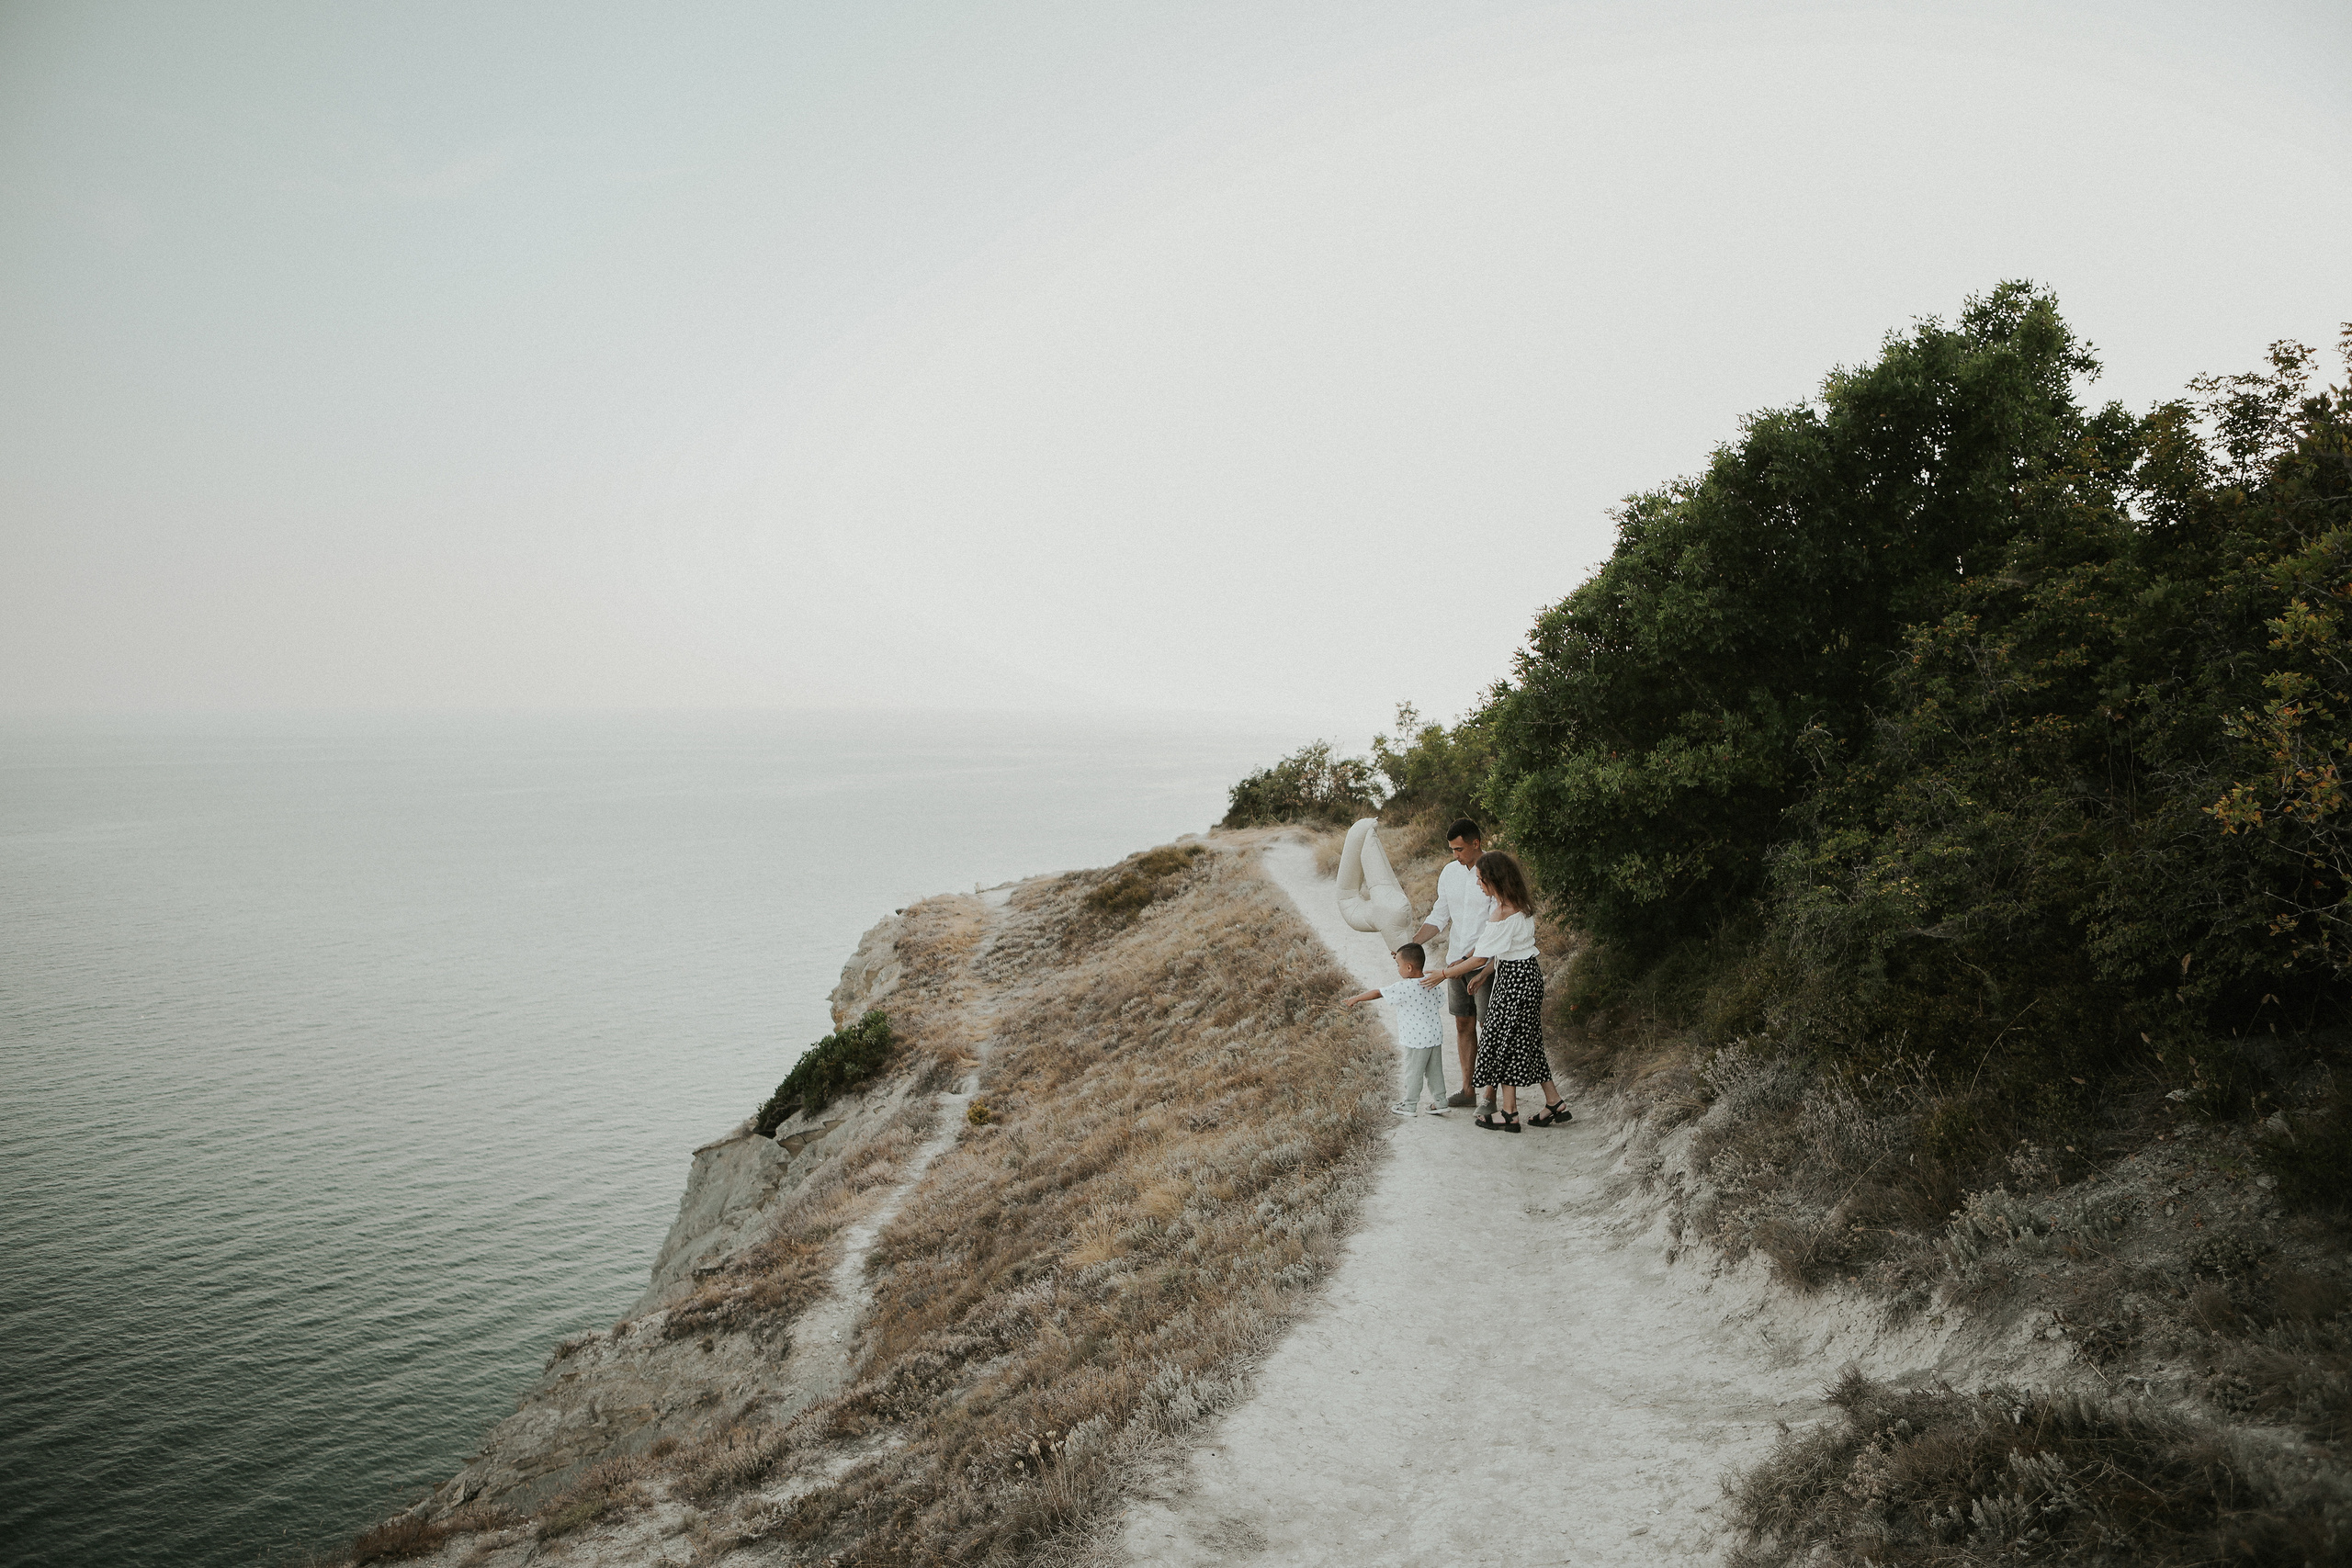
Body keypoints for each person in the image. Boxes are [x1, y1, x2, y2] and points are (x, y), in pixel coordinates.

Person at [1422, 851, 1570, 1133]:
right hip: (1526, 974)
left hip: (1515, 982)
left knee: (1500, 1039)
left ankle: (1509, 1112)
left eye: (1480, 880)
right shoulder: (1521, 904)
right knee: (1527, 1040)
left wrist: (1442, 973)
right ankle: (1554, 1102)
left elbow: (1479, 957)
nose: (1478, 885)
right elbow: (1511, 950)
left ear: (1493, 879)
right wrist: (1486, 974)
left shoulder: (1501, 912)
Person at [1408, 818, 1493, 1110]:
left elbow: (1497, 924)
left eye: (1459, 849)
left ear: (1475, 843)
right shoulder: (1449, 873)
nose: (1455, 856)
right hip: (1455, 959)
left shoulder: (1493, 871)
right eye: (1452, 850)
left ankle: (1490, 1097)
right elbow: (1438, 917)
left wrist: (1470, 958)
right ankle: (1468, 1091)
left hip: (1485, 963)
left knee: (1488, 1026)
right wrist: (1412, 944)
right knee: (1462, 1024)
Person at [1340, 942, 1450, 1117]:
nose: (1398, 969)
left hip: (1416, 1039)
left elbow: (1378, 993)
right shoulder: (1432, 983)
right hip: (1435, 1036)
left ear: (1408, 967)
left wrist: (1356, 999)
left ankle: (1410, 1104)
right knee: (1434, 1070)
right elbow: (1439, 1002)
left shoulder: (1404, 987)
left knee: (1413, 1071)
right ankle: (1441, 1101)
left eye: (1398, 965)